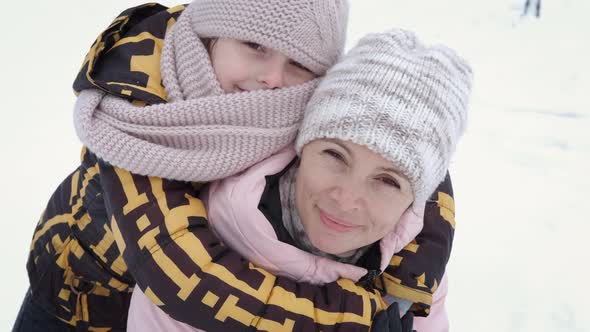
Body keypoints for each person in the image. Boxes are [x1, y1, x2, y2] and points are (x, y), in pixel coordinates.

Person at [15, 1, 457, 331]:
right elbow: (185, 272)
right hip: (78, 300)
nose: (272, 77)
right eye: (254, 45)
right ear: (211, 36)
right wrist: (354, 320)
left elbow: (401, 149)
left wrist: (414, 274)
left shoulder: (293, 109)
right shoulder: (141, 117)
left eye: (299, 62)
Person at [127, 29, 472, 332]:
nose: (347, 198)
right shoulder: (203, 249)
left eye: (388, 181)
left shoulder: (412, 276)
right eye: (335, 156)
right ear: (302, 146)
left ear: (416, 199)